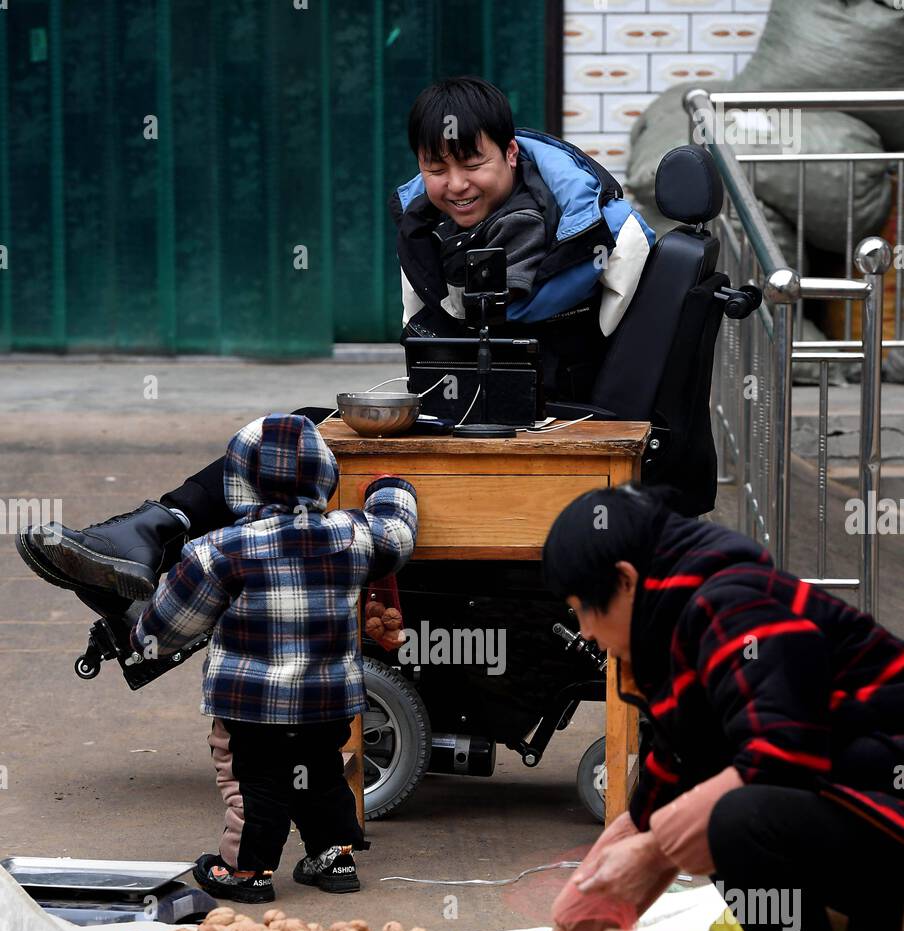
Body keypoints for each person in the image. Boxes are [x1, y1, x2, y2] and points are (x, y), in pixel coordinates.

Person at [18, 75, 652, 603]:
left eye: (472, 163)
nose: (456, 185)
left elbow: (626, 379)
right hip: (461, 416)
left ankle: (155, 569)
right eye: (436, 167)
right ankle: (156, 539)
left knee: (300, 463)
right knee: (294, 435)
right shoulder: (426, 237)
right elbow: (426, 350)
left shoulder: (599, 235)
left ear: (511, 154)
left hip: (548, 435)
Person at [491, 484, 904, 931]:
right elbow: (652, 805)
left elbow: (784, 753)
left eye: (587, 608)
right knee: (709, 816)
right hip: (856, 813)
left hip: (885, 799)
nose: (583, 630)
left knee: (733, 820)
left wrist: (658, 851)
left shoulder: (733, 603)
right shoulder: (675, 641)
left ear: (628, 581)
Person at [128, 412, 417, 904]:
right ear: (324, 474)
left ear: (239, 482)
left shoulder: (219, 551)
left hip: (249, 705)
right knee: (321, 774)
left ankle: (245, 872)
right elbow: (398, 533)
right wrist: (391, 486)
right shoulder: (350, 536)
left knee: (254, 783)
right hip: (327, 701)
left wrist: (140, 633)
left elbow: (170, 627)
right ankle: (333, 856)